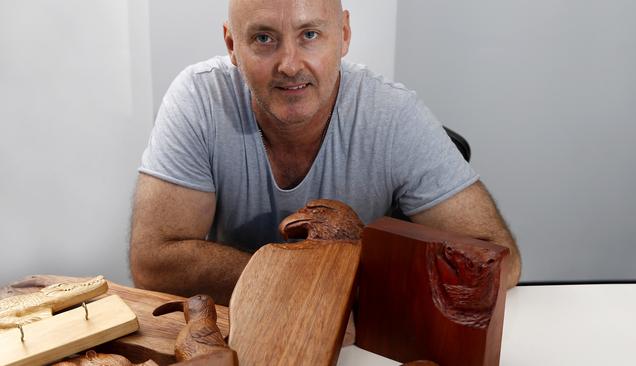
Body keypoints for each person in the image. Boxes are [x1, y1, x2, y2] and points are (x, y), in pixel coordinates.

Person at [129, 0, 522, 306]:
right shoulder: (199, 99)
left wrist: (341, 295)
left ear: (344, 35)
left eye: (310, 35)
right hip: (239, 331)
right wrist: (312, 282)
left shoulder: (393, 114)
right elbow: (153, 262)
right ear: (233, 45)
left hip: (359, 341)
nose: (289, 65)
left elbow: (499, 259)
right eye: (264, 38)